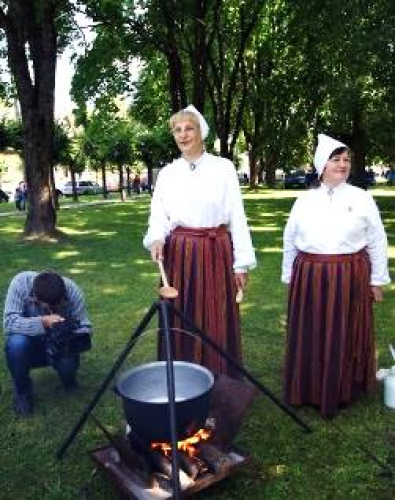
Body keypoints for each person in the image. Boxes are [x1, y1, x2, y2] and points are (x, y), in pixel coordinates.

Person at [281, 133, 391, 418]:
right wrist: (289, 277)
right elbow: (290, 239)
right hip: (309, 276)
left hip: (350, 276)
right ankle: (308, 387)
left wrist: (376, 280)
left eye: (346, 160)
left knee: (346, 330)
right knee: (311, 331)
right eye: (336, 159)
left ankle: (344, 388)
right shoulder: (304, 201)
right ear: (322, 164)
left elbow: (377, 240)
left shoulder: (362, 198)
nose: (342, 165)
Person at [143, 104, 256, 379]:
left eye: (189, 129)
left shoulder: (223, 168)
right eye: (177, 130)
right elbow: (158, 213)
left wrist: (241, 264)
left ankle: (219, 379)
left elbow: (236, 217)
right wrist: (157, 237)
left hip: (215, 250)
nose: (183, 135)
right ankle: (181, 380)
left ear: (201, 132)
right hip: (179, 254)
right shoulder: (168, 173)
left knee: (215, 312)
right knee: (182, 314)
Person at [3, 270, 93, 417]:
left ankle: (69, 381)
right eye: (48, 306)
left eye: (58, 304)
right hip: (28, 343)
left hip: (59, 345)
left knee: (67, 364)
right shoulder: (21, 283)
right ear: (35, 298)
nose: (52, 309)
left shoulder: (72, 291)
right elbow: (9, 322)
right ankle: (22, 392)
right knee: (16, 344)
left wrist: (71, 332)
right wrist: (43, 322)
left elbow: (85, 325)